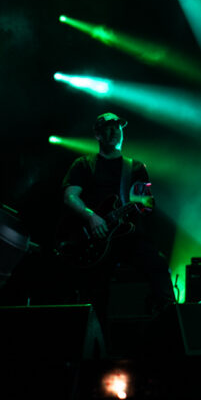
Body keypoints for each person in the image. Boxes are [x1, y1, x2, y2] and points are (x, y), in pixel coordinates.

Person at [60, 112, 174, 324]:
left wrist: (146, 204)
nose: (114, 131)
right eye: (108, 127)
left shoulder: (136, 167)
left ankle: (171, 321)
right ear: (98, 134)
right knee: (96, 292)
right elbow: (70, 196)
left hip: (129, 236)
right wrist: (91, 217)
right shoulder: (84, 164)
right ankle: (96, 336)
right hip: (96, 239)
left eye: (118, 127)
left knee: (157, 264)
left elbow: (145, 206)